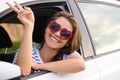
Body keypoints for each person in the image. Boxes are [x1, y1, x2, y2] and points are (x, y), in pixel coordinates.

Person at [6, 1, 86, 76]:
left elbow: (81, 65)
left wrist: (39, 66)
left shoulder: (66, 56)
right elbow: (23, 71)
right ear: (47, 27)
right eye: (55, 26)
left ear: (68, 42)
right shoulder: (28, 52)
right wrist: (29, 26)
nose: (57, 34)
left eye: (65, 33)